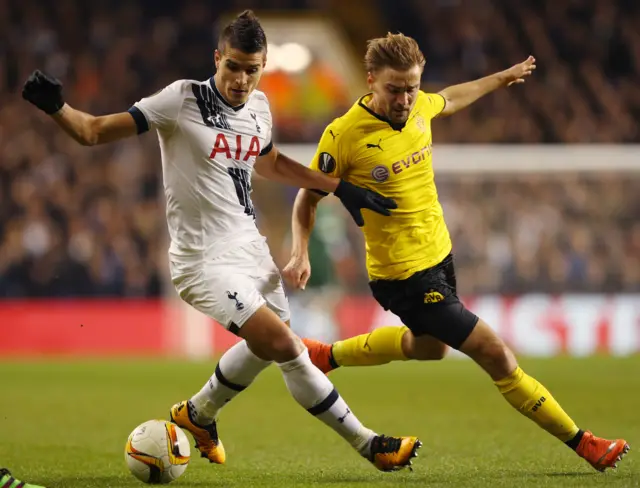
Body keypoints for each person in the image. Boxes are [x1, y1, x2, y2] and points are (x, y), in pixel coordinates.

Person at [22, 11, 421, 472]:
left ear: (263, 66)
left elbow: (269, 163)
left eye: (252, 69)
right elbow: (93, 132)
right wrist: (57, 107)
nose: (241, 79)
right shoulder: (182, 99)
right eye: (233, 66)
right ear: (217, 58)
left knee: (263, 346)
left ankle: (196, 416)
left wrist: (338, 187)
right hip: (202, 261)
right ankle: (370, 445)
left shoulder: (260, 109)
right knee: (288, 347)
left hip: (251, 249)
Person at [284, 32, 629, 472]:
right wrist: (301, 253)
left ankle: (325, 356)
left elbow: (450, 97)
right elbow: (306, 197)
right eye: (394, 89)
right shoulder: (344, 135)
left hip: (439, 257)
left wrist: (502, 78)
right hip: (402, 275)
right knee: (496, 355)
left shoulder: (419, 106)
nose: (406, 98)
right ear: (370, 80)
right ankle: (584, 443)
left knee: (428, 348)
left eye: (411, 87)